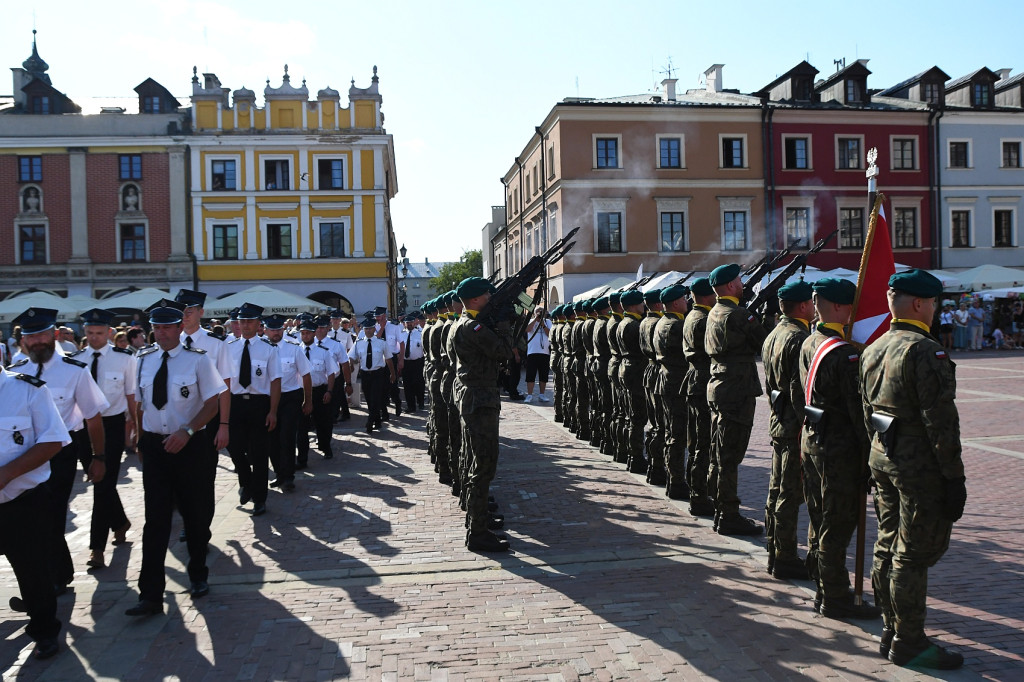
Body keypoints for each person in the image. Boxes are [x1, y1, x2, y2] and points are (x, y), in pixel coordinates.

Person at [860, 269, 966, 669]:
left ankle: (891, 628)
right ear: (920, 304)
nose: (935, 310)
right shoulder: (925, 350)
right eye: (934, 303)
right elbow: (940, 421)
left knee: (887, 544)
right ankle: (909, 640)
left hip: (883, 458)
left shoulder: (874, 347)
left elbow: (866, 411)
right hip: (917, 467)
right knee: (912, 555)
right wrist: (954, 477)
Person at [126, 300, 227, 616]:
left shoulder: (198, 361)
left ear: (180, 328)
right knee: (155, 521)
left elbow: (213, 402)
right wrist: (140, 438)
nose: (161, 333)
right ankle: (151, 594)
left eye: (168, 327)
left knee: (195, 514)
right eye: (156, 327)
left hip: (190, 446)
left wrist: (188, 430)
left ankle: (198, 574)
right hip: (156, 447)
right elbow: (141, 404)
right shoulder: (142, 360)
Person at [9, 307, 108, 599]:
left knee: (50, 515)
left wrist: (98, 457)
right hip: (24, 454)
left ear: (54, 335)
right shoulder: (16, 374)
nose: (37, 341)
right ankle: (55, 575)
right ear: (23, 342)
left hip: (61, 452)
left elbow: (93, 416)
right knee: (30, 518)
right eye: (31, 336)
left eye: (42, 334)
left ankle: (50, 581)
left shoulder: (74, 371)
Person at [799, 278, 880, 620]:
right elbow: (859, 414)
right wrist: (872, 459)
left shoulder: (810, 342)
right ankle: (834, 596)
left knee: (820, 518)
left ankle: (822, 582)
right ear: (838, 307)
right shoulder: (844, 355)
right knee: (837, 523)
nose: (854, 312)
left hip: (813, 442)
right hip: (839, 450)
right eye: (850, 306)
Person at [0, 361, 71, 659]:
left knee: (33, 572)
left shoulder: (27, 389)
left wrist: (7, 474)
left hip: (23, 500)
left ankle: (44, 632)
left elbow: (54, 440)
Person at [448, 277, 512, 553]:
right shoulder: (473, 328)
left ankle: (478, 522)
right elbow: (505, 352)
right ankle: (477, 531)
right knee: (483, 465)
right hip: (480, 399)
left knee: (476, 460)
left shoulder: (460, 325)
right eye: (486, 295)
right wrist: (506, 324)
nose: (489, 297)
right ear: (475, 300)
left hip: (472, 396)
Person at [705, 264, 767, 536]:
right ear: (731, 286)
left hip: (720, 385)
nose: (742, 285)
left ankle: (719, 507)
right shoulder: (739, 315)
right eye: (739, 281)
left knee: (720, 452)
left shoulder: (714, 312)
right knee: (729, 456)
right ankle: (728, 514)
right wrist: (761, 313)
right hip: (736, 389)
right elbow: (763, 342)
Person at [76, 309, 137, 569]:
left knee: (102, 484)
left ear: (110, 333)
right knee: (101, 481)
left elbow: (132, 395)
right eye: (90, 333)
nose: (94, 338)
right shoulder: (76, 360)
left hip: (111, 425)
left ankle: (96, 548)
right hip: (83, 428)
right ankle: (121, 521)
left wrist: (136, 429)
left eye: (99, 333)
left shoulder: (125, 359)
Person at [761, 281, 813, 581]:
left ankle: (774, 550)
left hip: (779, 420)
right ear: (804, 306)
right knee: (790, 494)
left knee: (777, 490)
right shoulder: (798, 338)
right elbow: (798, 390)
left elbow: (771, 385)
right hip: (793, 426)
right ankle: (785, 556)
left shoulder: (774, 334)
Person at [175, 289, 232, 541]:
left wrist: (224, 425)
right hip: (176, 424)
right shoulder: (168, 342)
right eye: (182, 311)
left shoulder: (215, 344)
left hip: (206, 423)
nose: (185, 315)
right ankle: (189, 521)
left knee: (204, 479)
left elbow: (225, 388)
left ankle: (200, 527)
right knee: (178, 480)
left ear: (201, 312)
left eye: (190, 311)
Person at [224, 303, 281, 517]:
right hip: (235, 404)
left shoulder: (268, 349)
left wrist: (273, 411)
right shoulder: (228, 348)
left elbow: (275, 381)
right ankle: (245, 481)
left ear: (259, 324)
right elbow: (225, 381)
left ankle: (259, 499)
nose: (245, 325)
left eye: (249, 321)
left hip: (259, 404)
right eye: (242, 321)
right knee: (235, 448)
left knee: (259, 454)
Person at [263, 314, 312, 491]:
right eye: (272, 329)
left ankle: (289, 476)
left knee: (287, 437)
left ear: (283, 329)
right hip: (267, 399)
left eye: (278, 329)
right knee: (272, 439)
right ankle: (279, 473)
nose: (276, 332)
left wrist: (308, 400)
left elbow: (306, 374)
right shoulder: (261, 348)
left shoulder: (294, 349)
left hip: (290, 397)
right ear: (266, 329)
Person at [682, 278, 717, 517]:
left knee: (695, 442)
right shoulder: (704, 320)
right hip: (702, 381)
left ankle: (694, 490)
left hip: (693, 381)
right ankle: (699, 495)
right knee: (703, 443)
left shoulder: (690, 317)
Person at [653, 285, 690, 499]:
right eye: (683, 299)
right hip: (676, 383)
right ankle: (676, 481)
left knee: (670, 432)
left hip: (667, 380)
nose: (687, 302)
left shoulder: (661, 322)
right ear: (675, 303)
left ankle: (671, 477)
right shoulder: (676, 325)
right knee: (677, 435)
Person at [298, 318, 340, 463]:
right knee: (301, 427)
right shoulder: (296, 351)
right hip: (301, 392)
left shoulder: (323, 352)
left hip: (319, 391)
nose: (305, 336)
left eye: (308, 333)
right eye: (302, 333)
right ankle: (302, 458)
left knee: (323, 423)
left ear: (313, 334)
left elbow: (331, 373)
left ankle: (325, 447)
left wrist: (329, 391)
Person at [351, 315, 395, 433]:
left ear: (374, 329)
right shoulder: (358, 343)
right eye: (366, 329)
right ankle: (378, 421)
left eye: (370, 328)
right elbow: (352, 356)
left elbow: (389, 359)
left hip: (378, 373)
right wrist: (352, 363)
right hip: (365, 374)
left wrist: (392, 373)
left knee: (375, 398)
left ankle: (370, 422)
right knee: (369, 399)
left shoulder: (381, 342)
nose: (368, 331)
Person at [523, 306, 552, 403]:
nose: (539, 314)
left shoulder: (548, 322)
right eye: (538, 312)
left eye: (541, 312)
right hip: (532, 352)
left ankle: (542, 394)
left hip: (544, 352)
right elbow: (527, 330)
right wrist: (536, 319)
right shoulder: (531, 320)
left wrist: (543, 325)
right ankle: (529, 395)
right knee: (530, 375)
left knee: (543, 375)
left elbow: (550, 334)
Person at [400, 313, 426, 412]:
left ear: (414, 323)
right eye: (407, 323)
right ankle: (411, 406)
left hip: (418, 362)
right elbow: (399, 350)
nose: (409, 324)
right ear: (404, 324)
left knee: (419, 383)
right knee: (407, 385)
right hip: (406, 363)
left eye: (411, 322)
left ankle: (421, 401)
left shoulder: (420, 333)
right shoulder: (401, 334)